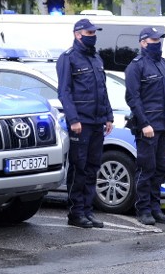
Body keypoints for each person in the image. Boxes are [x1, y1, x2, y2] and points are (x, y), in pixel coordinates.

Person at [57, 18, 114, 228]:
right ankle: (75, 213)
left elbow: (103, 90)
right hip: (81, 122)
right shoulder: (68, 58)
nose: (93, 37)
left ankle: (88, 211)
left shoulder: (96, 58)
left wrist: (108, 116)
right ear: (77, 34)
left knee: (92, 168)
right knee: (79, 168)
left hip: (97, 121)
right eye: (89, 34)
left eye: (94, 33)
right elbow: (64, 91)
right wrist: (73, 119)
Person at [124, 27, 165, 225]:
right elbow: (133, 98)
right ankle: (143, 210)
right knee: (146, 169)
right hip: (148, 128)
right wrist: (144, 124)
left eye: (159, 39)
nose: (157, 42)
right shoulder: (136, 66)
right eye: (153, 39)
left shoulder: (164, 64)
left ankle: (155, 208)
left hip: (164, 126)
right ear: (143, 42)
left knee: (160, 168)